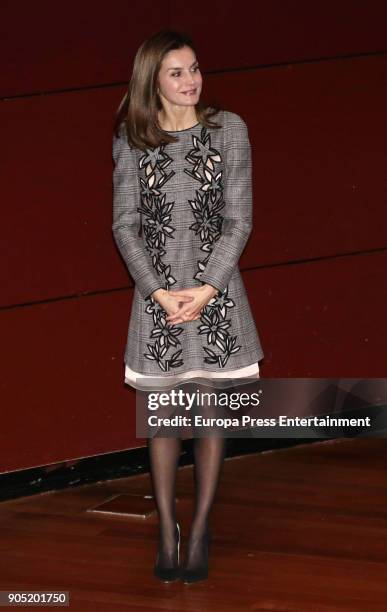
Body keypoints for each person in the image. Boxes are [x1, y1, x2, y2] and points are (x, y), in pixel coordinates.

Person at [111, 29, 264, 583]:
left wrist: (204, 289)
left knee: (209, 415)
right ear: (152, 79)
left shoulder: (229, 130)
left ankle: (200, 528)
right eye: (176, 72)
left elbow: (238, 220)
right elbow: (124, 225)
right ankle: (165, 530)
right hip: (157, 299)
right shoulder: (132, 139)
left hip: (215, 298)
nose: (191, 79)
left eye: (194, 67)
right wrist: (157, 290)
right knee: (164, 421)